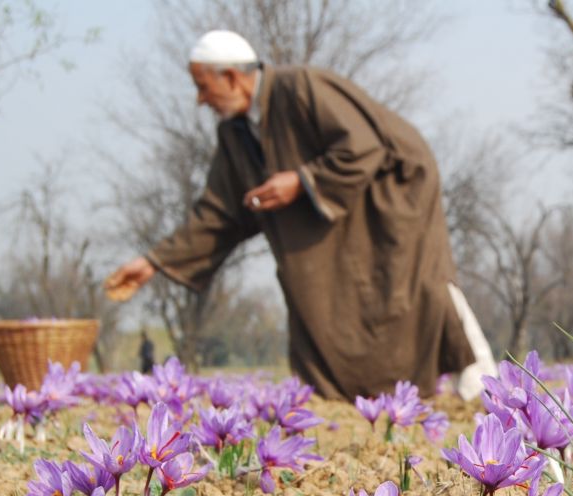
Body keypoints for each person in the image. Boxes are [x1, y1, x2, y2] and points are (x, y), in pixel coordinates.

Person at [104, 30, 496, 400]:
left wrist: (301, 181)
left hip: (390, 196)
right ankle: (359, 398)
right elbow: (220, 211)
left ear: (231, 77)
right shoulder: (234, 134)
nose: (201, 100)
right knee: (314, 292)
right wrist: (155, 262)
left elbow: (363, 146)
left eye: (202, 86)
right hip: (334, 220)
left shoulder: (301, 86)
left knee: (420, 282)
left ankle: (482, 382)